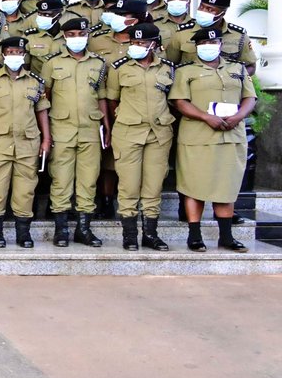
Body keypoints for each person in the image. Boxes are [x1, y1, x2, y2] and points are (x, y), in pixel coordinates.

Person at [169, 27, 257, 252]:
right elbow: (180, 101)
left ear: (220, 43)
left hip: (231, 135)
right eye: (204, 43)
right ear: (196, 47)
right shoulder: (185, 71)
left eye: (214, 41)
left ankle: (226, 237)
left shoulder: (237, 68)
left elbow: (249, 97)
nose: (210, 46)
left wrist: (238, 116)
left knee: (226, 186)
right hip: (197, 136)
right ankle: (195, 235)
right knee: (194, 186)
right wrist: (206, 117)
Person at [0, 36, 51, 248]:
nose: (14, 56)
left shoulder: (35, 81)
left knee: (25, 188)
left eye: (18, 52)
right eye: (9, 52)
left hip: (27, 142)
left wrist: (46, 139)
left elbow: (42, 110)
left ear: (24, 55)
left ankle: (23, 233)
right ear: (3, 55)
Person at [105, 23, 174, 251]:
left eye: (142, 43)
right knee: (128, 184)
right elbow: (112, 100)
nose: (136, 47)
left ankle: (151, 234)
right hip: (128, 132)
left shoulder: (168, 68)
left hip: (159, 133)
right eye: (134, 43)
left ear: (154, 44)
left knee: (154, 184)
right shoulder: (119, 68)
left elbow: (172, 99)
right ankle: (130, 234)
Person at [40, 18, 107, 247]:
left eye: (81, 32)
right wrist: (45, 133)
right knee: (61, 179)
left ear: (88, 34)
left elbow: (103, 97)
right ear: (64, 37)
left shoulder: (99, 64)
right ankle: (61, 230)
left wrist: (106, 126)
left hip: (90, 129)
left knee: (88, 180)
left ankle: (83, 229)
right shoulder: (52, 63)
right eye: (72, 34)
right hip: (61, 128)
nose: (77, 37)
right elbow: (44, 97)